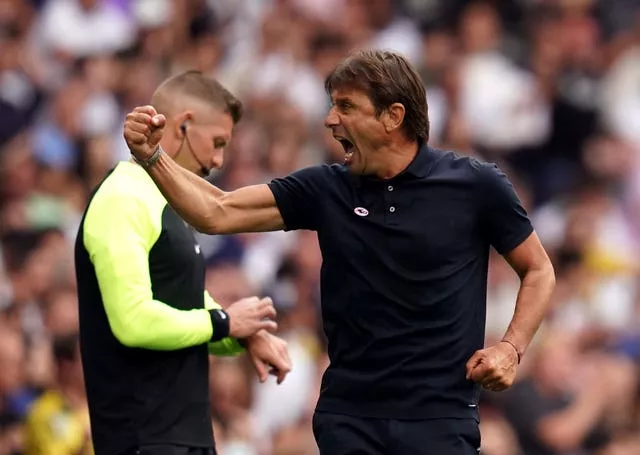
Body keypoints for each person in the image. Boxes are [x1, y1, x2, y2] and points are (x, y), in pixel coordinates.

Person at [125, 50, 556, 454]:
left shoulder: (476, 185)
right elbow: (217, 212)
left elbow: (537, 269)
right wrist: (153, 157)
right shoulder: (326, 188)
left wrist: (511, 349)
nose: (331, 119)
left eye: (346, 107)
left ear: (393, 116)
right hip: (349, 417)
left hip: (440, 419)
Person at [74, 71, 292, 455]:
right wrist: (225, 321)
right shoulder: (122, 199)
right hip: (141, 439)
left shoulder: (164, 204)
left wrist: (244, 334)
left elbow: (184, 305)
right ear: (184, 125)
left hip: (182, 438)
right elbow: (134, 322)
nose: (217, 161)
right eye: (217, 143)